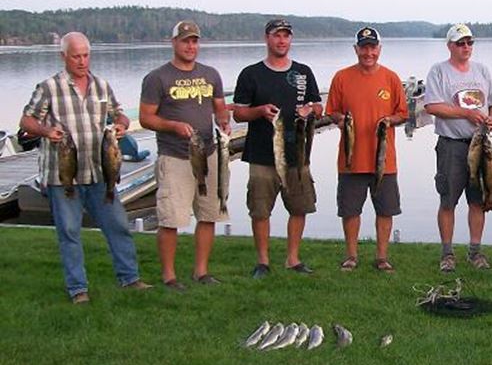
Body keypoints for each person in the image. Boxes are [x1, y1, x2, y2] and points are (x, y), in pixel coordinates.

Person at [19, 32, 151, 303]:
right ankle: (78, 289)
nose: (82, 61)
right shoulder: (48, 87)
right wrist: (46, 131)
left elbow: (119, 113)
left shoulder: (102, 85)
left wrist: (122, 125)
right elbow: (26, 121)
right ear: (63, 56)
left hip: (100, 172)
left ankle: (130, 278)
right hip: (62, 175)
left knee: (118, 226)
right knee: (69, 232)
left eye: (85, 55)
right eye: (76, 56)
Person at [139, 21, 230, 290]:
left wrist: (223, 121)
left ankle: (201, 272)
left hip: (210, 155)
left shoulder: (211, 74)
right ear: (174, 43)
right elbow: (146, 118)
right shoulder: (157, 78)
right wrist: (173, 126)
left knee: (208, 214)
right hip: (175, 157)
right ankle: (169, 276)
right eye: (185, 41)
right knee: (171, 219)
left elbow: (220, 108)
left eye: (194, 41)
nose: (191, 46)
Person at [233, 19, 322, 277]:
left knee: (299, 207)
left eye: (286, 36)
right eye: (277, 36)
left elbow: (319, 107)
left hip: (298, 155)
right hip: (261, 155)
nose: (282, 40)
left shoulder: (304, 72)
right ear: (267, 38)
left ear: (291, 39)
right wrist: (259, 111)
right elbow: (238, 113)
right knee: (260, 210)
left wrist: (310, 111)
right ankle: (263, 261)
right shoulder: (250, 74)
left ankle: (293, 259)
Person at [325, 27, 409, 272]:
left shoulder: (391, 78)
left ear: (379, 49)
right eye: (364, 47)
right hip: (351, 159)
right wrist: (340, 119)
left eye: (373, 47)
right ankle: (351, 256)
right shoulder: (341, 77)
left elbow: (402, 114)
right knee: (350, 211)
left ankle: (382, 257)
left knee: (385, 210)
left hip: (384, 160)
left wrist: (389, 120)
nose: (368, 52)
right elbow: (332, 111)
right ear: (356, 49)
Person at [424, 23, 492, 272]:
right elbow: (432, 107)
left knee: (478, 200)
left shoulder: (483, 71)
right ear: (450, 46)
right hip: (451, 147)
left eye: (469, 42)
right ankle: (447, 253)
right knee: (448, 201)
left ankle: (475, 252)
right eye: (460, 43)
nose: (466, 47)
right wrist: (465, 113)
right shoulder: (439, 72)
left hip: (481, 145)